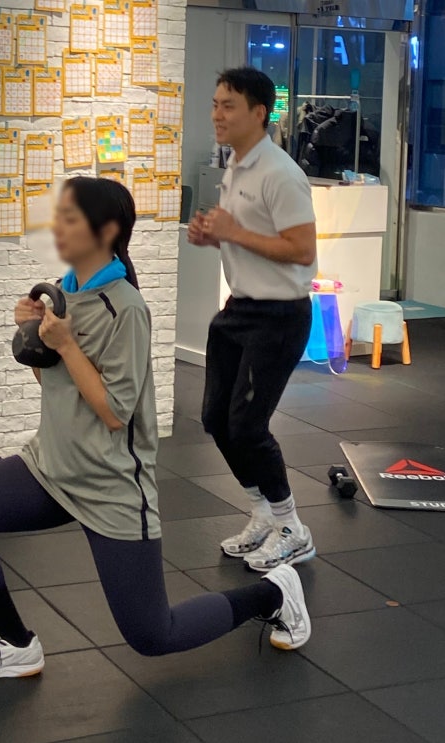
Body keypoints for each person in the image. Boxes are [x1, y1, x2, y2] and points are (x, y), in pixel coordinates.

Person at [0, 176, 311, 684]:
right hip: (51, 467)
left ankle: (274, 593)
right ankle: (15, 644)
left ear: (106, 230)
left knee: (153, 635)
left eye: (68, 218)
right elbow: (56, 384)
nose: (56, 227)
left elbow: (114, 413)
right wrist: (32, 335)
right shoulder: (65, 291)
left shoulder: (125, 307)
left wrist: (66, 345)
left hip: (111, 486)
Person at [188, 67, 318, 572]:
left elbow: (302, 250)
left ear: (259, 113)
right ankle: (263, 513)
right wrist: (215, 237)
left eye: (229, 106)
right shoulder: (235, 166)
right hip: (239, 310)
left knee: (247, 426)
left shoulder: (281, 173)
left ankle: (292, 527)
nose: (217, 115)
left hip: (279, 315)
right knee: (216, 419)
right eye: (215, 104)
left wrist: (234, 233)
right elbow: (249, 238)